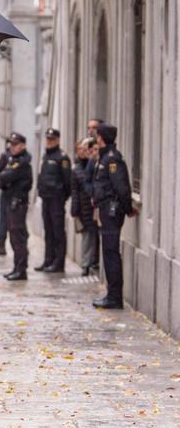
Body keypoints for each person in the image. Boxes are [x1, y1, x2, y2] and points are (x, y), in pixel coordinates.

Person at [91, 123, 136, 309]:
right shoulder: (104, 158)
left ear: (102, 137)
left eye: (97, 135)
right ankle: (112, 294)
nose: (95, 138)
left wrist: (127, 208)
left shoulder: (112, 160)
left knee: (111, 254)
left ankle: (115, 297)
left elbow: (122, 188)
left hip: (112, 211)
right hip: (106, 210)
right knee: (108, 253)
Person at [35, 128, 71, 273]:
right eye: (47, 139)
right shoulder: (46, 156)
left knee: (58, 231)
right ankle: (48, 260)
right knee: (48, 231)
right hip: (46, 199)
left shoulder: (62, 158)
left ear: (57, 140)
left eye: (51, 139)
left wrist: (62, 197)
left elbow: (68, 181)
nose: (48, 142)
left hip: (57, 200)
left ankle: (59, 262)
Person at [0, 132, 33, 281]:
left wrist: (6, 176)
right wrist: (6, 176)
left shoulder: (22, 162)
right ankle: (17, 267)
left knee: (18, 237)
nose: (12, 146)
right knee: (14, 237)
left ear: (23, 145)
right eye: (11, 144)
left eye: (15, 144)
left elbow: (5, 176)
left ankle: (21, 269)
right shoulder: (13, 159)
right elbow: (0, 179)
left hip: (17, 203)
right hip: (11, 202)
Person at [71, 138, 99, 276]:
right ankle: (86, 264)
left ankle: (93, 262)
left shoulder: (95, 164)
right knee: (87, 236)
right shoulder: (77, 169)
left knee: (94, 236)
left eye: (86, 149)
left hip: (95, 206)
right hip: (84, 208)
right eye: (81, 149)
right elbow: (75, 192)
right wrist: (75, 210)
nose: (84, 152)